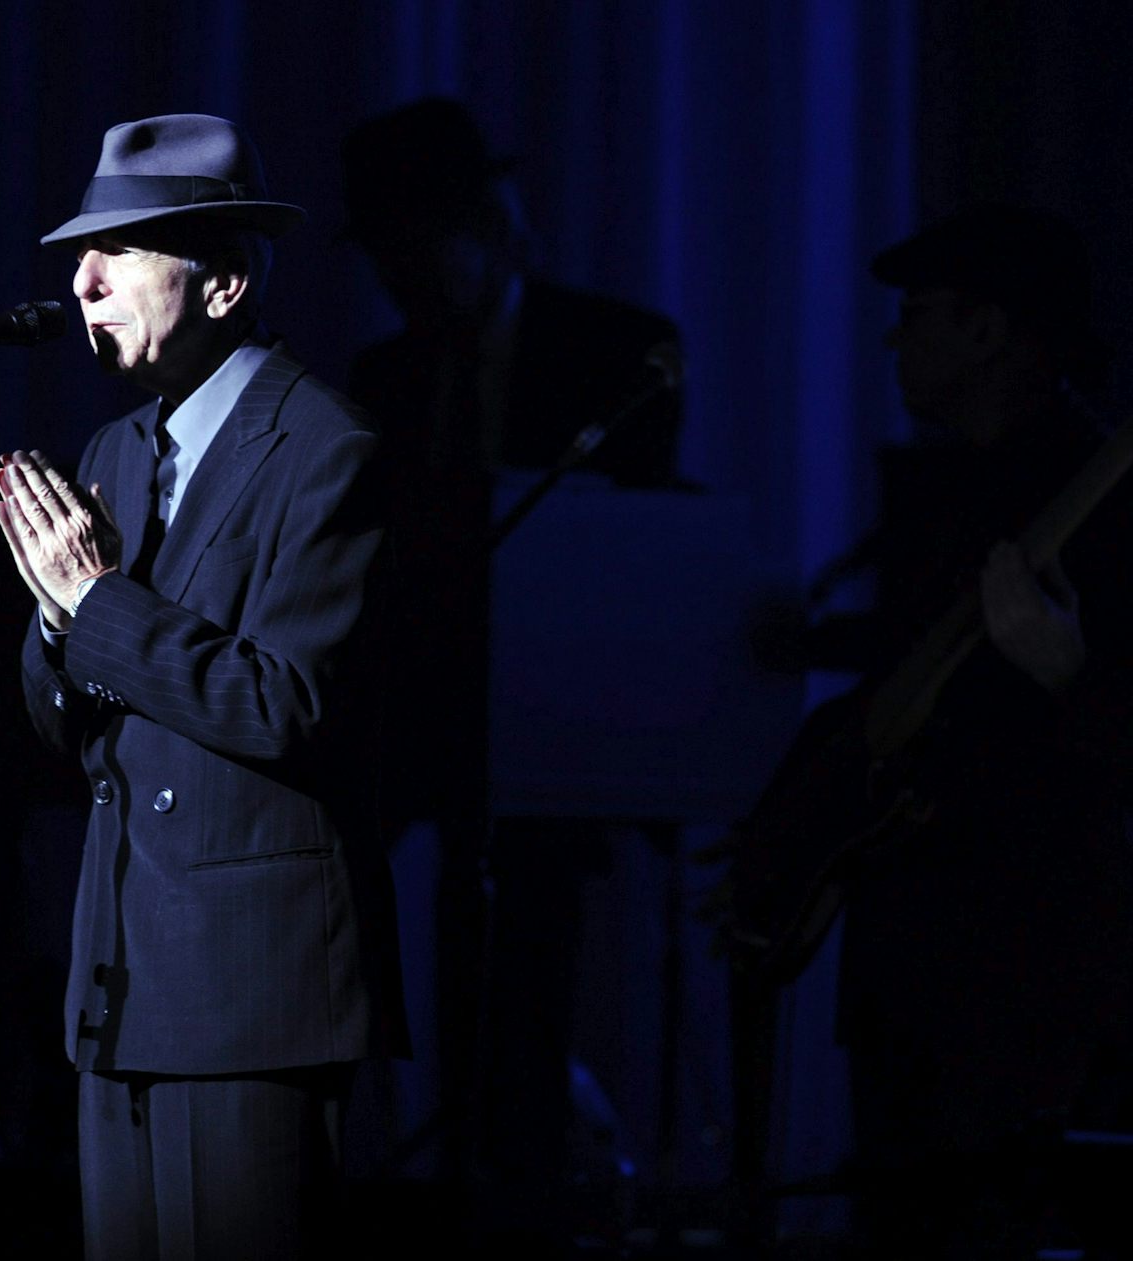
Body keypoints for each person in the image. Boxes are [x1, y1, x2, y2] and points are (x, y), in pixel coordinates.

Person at [0, 114, 408, 1259]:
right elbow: (66, 727)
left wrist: (97, 601)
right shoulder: (115, 451)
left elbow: (287, 704)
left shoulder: (327, 449)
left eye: (120, 250)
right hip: (121, 979)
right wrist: (55, 612)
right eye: (82, 253)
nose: (82, 279)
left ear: (223, 281)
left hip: (253, 987)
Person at [742, 205, 1133, 1257]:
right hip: (915, 957)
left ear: (990, 331)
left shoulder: (1105, 492)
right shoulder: (945, 486)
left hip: (1026, 970)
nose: (892, 339)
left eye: (917, 315)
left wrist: (1067, 671)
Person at [338, 96, 686, 1248]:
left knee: (524, 925)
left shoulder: (613, 350)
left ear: (487, 225)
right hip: (416, 721)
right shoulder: (377, 382)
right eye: (383, 253)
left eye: (416, 244)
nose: (401, 276)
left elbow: (632, 555)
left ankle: (516, 1168)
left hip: (551, 722)